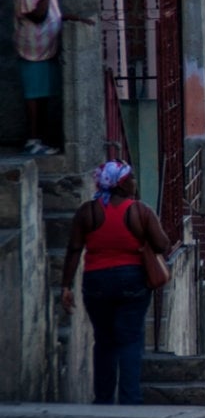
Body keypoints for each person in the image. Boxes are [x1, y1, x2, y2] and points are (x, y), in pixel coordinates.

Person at [61, 160, 171, 405]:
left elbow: (74, 249)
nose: (134, 182)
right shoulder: (139, 211)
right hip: (132, 280)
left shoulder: (87, 212)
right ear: (121, 184)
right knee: (130, 340)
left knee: (104, 340)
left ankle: (103, 399)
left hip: (96, 281)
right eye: (131, 178)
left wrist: (66, 286)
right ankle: (130, 399)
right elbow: (162, 245)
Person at [14, 0, 92, 155]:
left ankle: (41, 140)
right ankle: (32, 140)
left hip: (47, 49)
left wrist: (74, 17)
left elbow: (51, 11)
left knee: (44, 96)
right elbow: (38, 15)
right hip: (31, 50)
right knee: (33, 98)